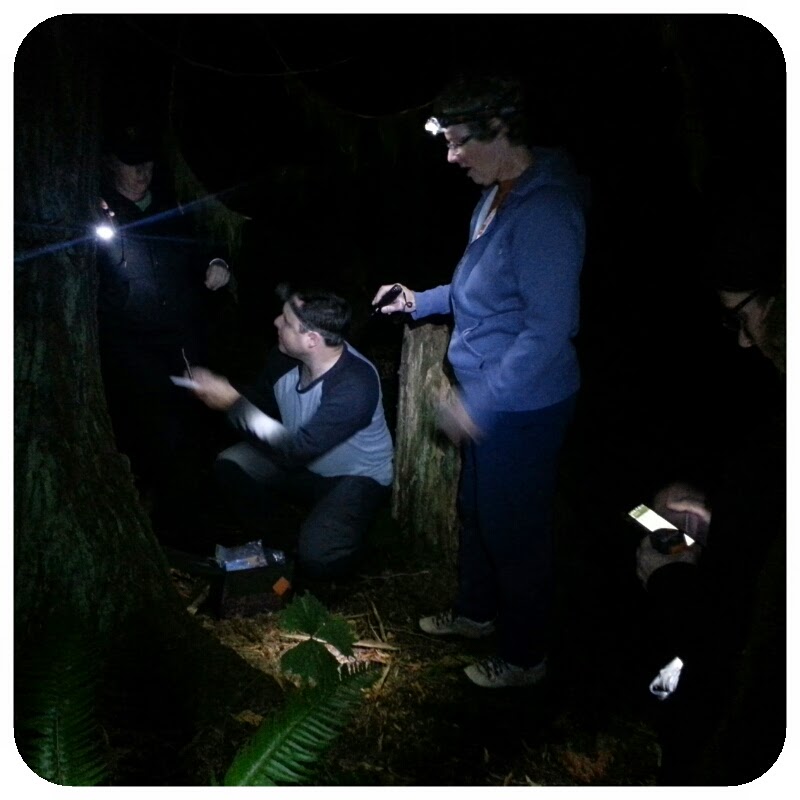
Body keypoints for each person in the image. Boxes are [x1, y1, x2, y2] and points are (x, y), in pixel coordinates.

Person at [372, 74, 586, 688]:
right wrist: (419, 300)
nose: (451, 156)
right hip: (490, 398)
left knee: (514, 530)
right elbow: (479, 289)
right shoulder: (497, 195)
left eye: (460, 141)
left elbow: (549, 331)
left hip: (523, 406)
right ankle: (475, 613)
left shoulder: (547, 211)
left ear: (502, 131)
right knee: (475, 510)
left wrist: (483, 404)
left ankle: (524, 657)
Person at [634, 229, 786, 784]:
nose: (744, 341)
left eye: (742, 315)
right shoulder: (770, 411)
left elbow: (743, 642)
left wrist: (668, 579)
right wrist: (692, 503)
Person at [188, 284, 394, 582]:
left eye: (286, 321)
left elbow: (296, 450)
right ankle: (280, 542)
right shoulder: (282, 358)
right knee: (231, 463)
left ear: (311, 340)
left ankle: (354, 555)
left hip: (355, 477)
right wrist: (222, 390)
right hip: (304, 466)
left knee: (319, 558)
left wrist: (233, 403)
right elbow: (262, 403)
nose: (276, 322)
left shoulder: (354, 385)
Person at [95, 120, 234, 542]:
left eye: (148, 163)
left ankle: (188, 521)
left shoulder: (171, 206)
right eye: (131, 164)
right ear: (111, 164)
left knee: (190, 429)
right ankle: (148, 521)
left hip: (183, 341)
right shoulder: (95, 209)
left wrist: (217, 264)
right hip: (128, 348)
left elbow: (205, 245)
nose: (142, 173)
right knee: (144, 433)